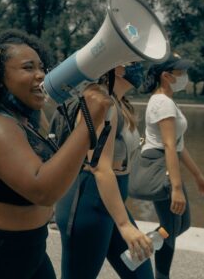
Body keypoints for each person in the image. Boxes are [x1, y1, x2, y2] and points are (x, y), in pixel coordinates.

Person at [0, 29, 112, 279]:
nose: (41, 75)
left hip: (30, 248)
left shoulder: (30, 121)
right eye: (28, 68)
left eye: (42, 67)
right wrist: (88, 123)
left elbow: (60, 166)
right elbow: (43, 190)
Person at [50, 62, 154, 279]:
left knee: (142, 275)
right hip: (87, 204)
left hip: (109, 202)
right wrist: (124, 224)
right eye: (133, 62)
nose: (140, 67)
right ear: (115, 66)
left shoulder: (118, 102)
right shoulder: (98, 101)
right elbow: (99, 166)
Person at [139, 53, 204, 279]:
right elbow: (169, 146)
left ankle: (140, 244)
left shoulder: (166, 101)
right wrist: (177, 188)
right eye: (181, 73)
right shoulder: (162, 103)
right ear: (167, 76)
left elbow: (178, 145)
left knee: (183, 224)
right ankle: (159, 273)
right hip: (162, 167)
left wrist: (198, 175)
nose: (185, 77)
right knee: (170, 228)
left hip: (166, 163)